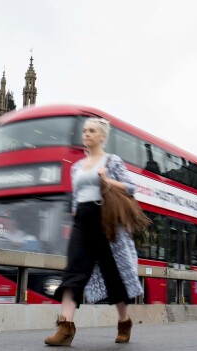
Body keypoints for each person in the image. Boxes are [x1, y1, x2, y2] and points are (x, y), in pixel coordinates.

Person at [44, 117, 142, 347]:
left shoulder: (112, 161)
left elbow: (131, 187)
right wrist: (74, 216)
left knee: (113, 274)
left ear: (102, 137)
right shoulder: (77, 166)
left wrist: (107, 180)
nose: (86, 134)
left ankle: (124, 321)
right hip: (82, 222)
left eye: (92, 131)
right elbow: (76, 197)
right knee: (73, 272)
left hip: (106, 221)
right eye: (85, 130)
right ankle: (65, 326)